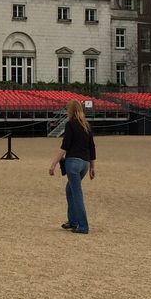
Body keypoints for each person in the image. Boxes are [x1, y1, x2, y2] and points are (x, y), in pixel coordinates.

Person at [48, 99, 96, 234]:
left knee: (76, 193)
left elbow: (65, 146)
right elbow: (92, 146)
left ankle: (83, 225)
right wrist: (92, 167)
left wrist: (54, 164)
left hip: (73, 162)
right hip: (85, 163)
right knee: (70, 189)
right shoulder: (86, 125)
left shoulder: (70, 125)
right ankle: (73, 221)